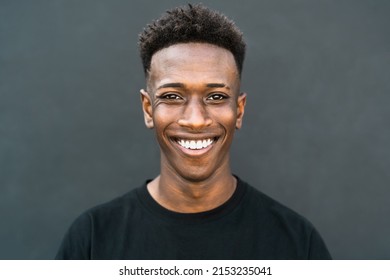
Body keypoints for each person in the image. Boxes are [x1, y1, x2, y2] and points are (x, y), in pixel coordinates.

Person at [56, 4, 331, 260]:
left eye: (216, 97)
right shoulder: (92, 239)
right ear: (148, 109)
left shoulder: (297, 244)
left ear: (240, 110)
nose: (196, 120)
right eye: (173, 96)